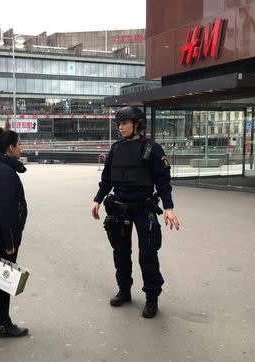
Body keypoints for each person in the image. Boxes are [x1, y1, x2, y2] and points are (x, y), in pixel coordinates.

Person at [91, 106, 180, 318]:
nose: (120, 127)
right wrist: (97, 200)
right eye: (118, 124)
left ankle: (151, 298)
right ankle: (124, 290)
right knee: (120, 253)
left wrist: (168, 207)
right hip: (119, 208)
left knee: (148, 255)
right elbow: (107, 179)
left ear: (137, 124)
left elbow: (163, 181)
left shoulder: (153, 149)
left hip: (143, 208)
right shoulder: (116, 149)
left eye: (124, 123)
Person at [0, 127, 29, 338]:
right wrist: (11, 240)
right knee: (5, 277)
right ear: (10, 148)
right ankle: (3, 323)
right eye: (19, 144)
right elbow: (7, 209)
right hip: (3, 231)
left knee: (0, 274)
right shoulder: (3, 171)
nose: (21, 147)